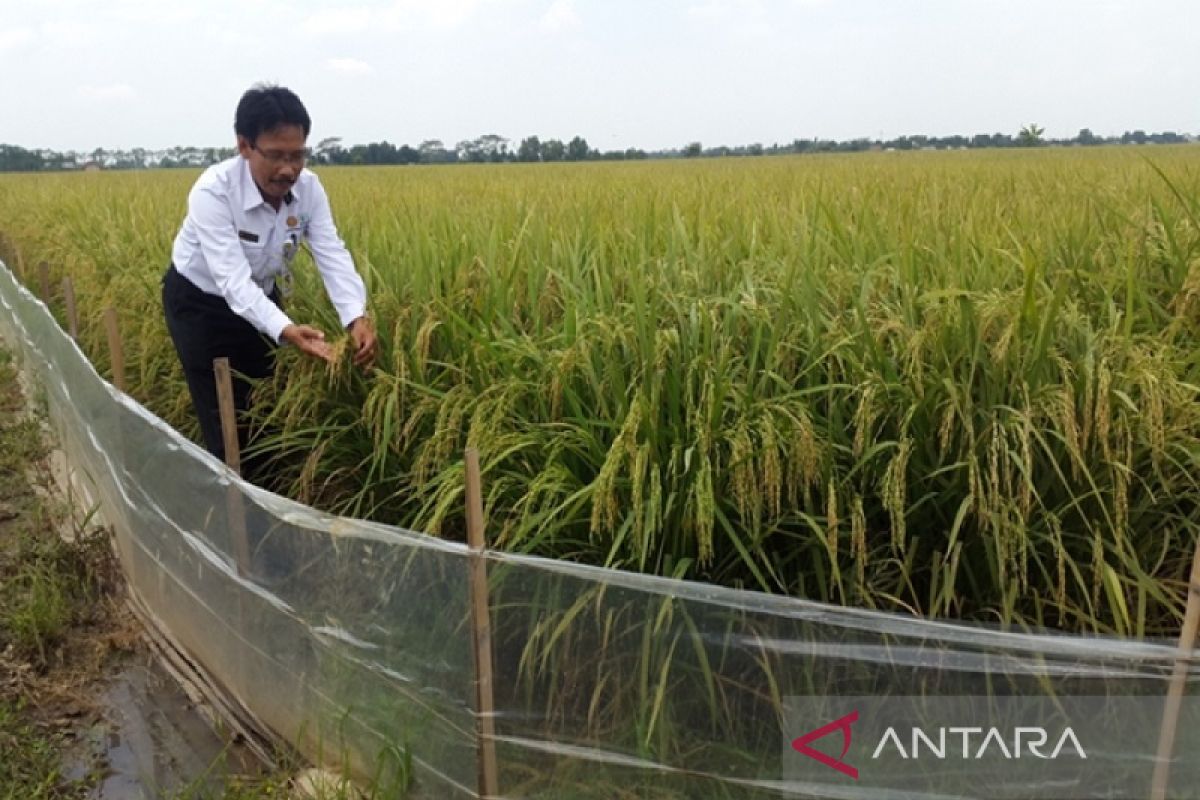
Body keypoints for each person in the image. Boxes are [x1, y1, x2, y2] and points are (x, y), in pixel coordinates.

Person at [162, 83, 376, 485]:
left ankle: (272, 492)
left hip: (261, 295)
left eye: (297, 155)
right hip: (201, 305)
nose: (288, 169)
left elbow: (331, 251)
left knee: (267, 404)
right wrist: (285, 329)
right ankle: (236, 509)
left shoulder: (309, 189)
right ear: (244, 146)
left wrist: (356, 317)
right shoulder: (214, 192)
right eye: (276, 156)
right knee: (226, 418)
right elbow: (231, 281)